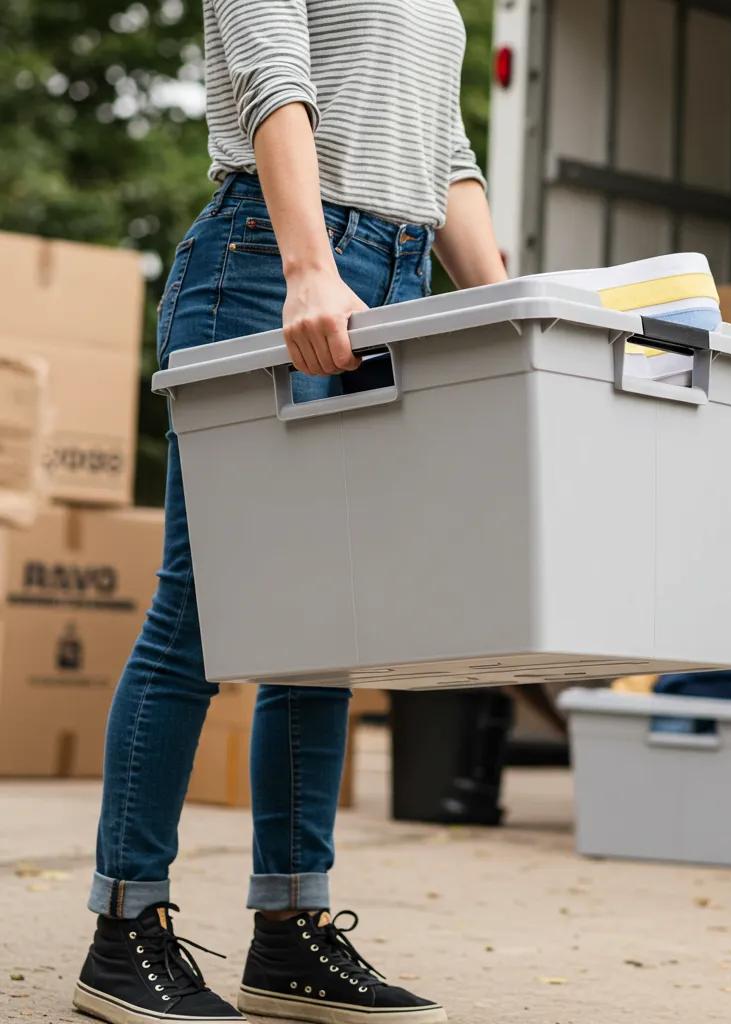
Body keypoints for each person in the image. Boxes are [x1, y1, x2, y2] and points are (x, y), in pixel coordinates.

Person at [73, 2, 507, 1023]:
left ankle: (289, 932)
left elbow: (439, 142)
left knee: (327, 620)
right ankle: (123, 928)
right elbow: (274, 78)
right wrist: (311, 266)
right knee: (204, 611)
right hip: (269, 266)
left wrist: (503, 311)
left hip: (397, 280)